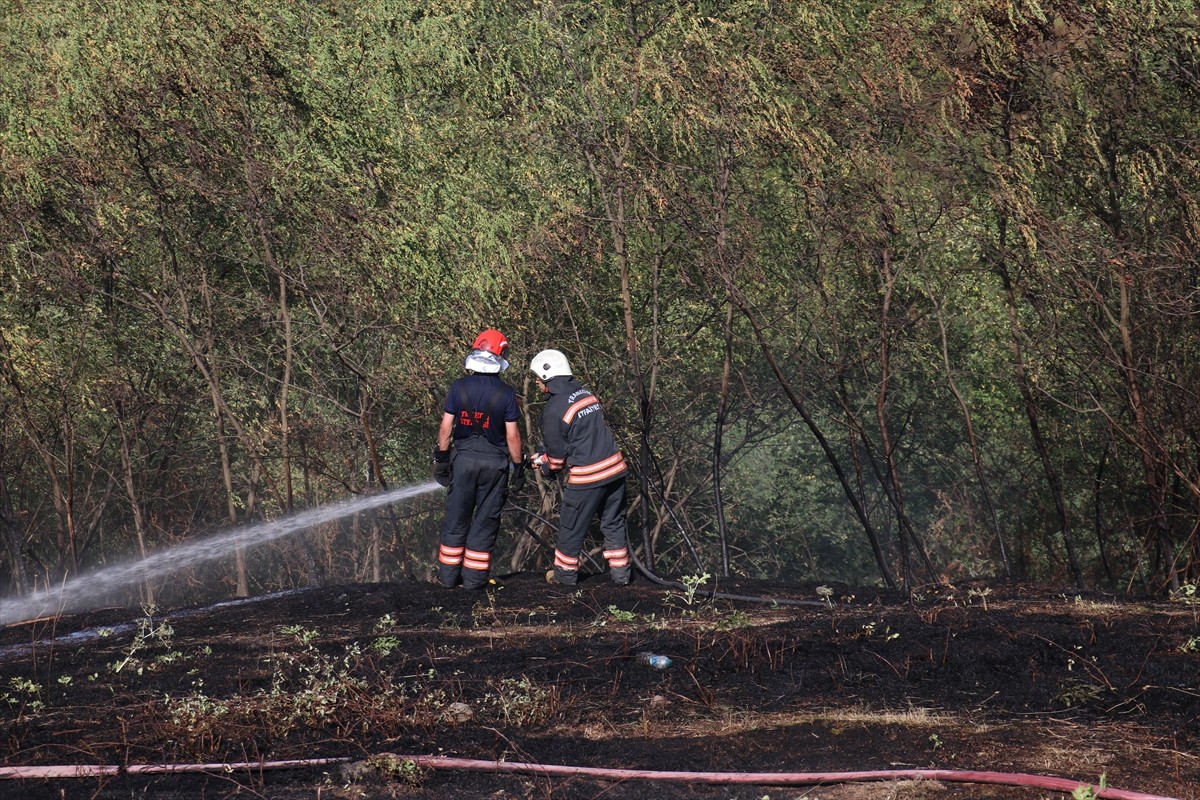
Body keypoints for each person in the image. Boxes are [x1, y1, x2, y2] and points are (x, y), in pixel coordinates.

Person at [432, 329, 527, 589]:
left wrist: (442, 459)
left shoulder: (458, 387)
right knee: (485, 521)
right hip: (494, 466)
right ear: (501, 355)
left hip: (462, 462)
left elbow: (445, 428)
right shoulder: (507, 394)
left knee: (456, 518)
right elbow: (513, 437)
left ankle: (448, 578)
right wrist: (519, 468)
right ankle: (474, 581)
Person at [528, 349, 631, 586]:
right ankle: (622, 576)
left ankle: (564, 576)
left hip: (588, 477)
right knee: (613, 523)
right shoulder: (585, 394)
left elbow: (557, 459)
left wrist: (545, 466)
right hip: (615, 470)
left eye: (538, 377)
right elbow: (579, 436)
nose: (536, 382)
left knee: (571, 525)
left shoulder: (554, 408)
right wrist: (546, 454)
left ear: (548, 375)